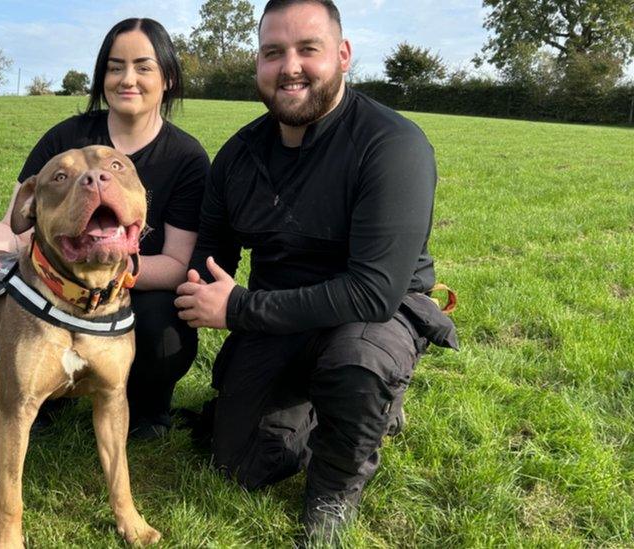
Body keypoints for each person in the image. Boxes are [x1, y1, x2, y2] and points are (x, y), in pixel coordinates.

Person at [174, 0, 457, 542]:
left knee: (358, 362)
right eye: (273, 52)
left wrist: (238, 308)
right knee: (240, 464)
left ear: (343, 55)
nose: (290, 67)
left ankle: (334, 490)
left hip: (377, 316)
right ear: (258, 63)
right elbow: (209, 259)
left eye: (309, 49)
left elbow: (373, 291)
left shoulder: (391, 145)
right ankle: (329, 406)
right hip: (282, 317)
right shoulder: (238, 157)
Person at [0, 18, 210, 440]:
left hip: (137, 283)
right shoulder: (65, 139)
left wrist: (106, 270)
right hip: (56, 283)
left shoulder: (186, 157)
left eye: (143, 67)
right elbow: (16, 230)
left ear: (167, 77)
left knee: (161, 323)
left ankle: (149, 407)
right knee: (31, 295)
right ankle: (44, 394)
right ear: (102, 77)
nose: (127, 79)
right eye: (115, 67)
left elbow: (175, 263)